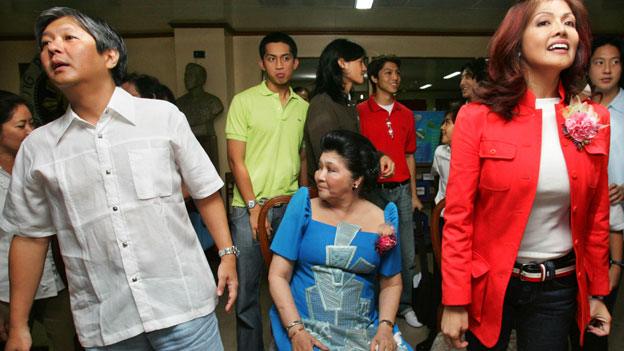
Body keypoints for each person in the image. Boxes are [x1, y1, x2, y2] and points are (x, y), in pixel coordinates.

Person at [3, 7, 237, 351]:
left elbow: (205, 190)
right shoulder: (38, 148)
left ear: (109, 55)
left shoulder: (162, 117)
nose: (53, 49)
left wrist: (227, 254)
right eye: (46, 43)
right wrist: (19, 325)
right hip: (108, 322)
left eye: (68, 38)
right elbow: (29, 238)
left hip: (182, 306)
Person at [441, 1, 612, 350]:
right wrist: (454, 299)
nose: (561, 30)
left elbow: (596, 215)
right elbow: (458, 215)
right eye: (544, 22)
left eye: (569, 22)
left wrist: (598, 292)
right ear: (516, 41)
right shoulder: (476, 117)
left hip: (558, 286)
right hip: (487, 284)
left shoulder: (593, 118)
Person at [268, 130, 412, 351]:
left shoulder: (383, 220)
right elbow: (278, 275)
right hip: (304, 325)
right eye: (320, 166)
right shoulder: (304, 206)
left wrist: (385, 327)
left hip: (362, 328)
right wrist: (296, 330)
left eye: (331, 170)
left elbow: (391, 283)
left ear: (356, 180)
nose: (319, 176)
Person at [225, 32, 308, 351]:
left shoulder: (303, 106)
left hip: (288, 205)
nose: (279, 65)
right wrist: (253, 206)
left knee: (286, 283)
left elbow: (301, 156)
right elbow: (236, 159)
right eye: (271, 58)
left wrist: (303, 199)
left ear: (295, 62)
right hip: (249, 206)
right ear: (262, 63)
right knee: (247, 290)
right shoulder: (244, 101)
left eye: (285, 58)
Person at [0, 91, 76, 350]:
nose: (30, 131)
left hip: (54, 279)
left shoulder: (41, 166)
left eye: (32, 123)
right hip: (5, 289)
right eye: (21, 125)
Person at [357, 55, 423, 328]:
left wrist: (414, 194)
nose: (395, 77)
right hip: (373, 192)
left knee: (406, 253)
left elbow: (409, 156)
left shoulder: (406, 114)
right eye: (388, 73)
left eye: (397, 73)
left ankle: (404, 305)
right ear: (374, 78)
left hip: (401, 192)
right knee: (374, 251)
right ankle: (375, 308)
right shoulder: (360, 112)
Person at [303, 39, 394, 184]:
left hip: (347, 192)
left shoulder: (347, 102)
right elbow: (328, 157)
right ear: (342, 63)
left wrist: (378, 156)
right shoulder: (323, 104)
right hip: (331, 194)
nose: (364, 68)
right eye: (360, 62)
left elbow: (353, 145)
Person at [585, 35, 624, 351]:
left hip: (618, 223)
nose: (607, 69)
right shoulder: (577, 109)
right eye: (599, 62)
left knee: (605, 308)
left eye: (614, 61)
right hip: (585, 225)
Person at [177, 63, 225, 171]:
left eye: (190, 75)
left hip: (207, 143)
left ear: (201, 79)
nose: (186, 79)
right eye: (185, 75)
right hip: (186, 147)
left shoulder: (213, 102)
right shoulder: (179, 103)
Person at [431, 103, 460, 207]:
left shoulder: (475, 156)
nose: (442, 127)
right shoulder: (440, 152)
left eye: (447, 123)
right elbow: (435, 176)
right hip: (443, 211)